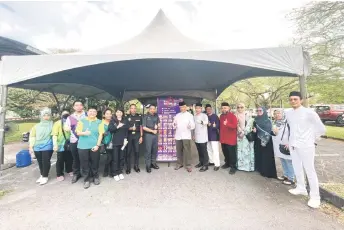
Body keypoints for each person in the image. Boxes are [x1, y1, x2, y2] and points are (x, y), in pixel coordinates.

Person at [286, 91, 326, 209]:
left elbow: (321, 129)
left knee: (310, 170)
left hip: (307, 145)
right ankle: (301, 188)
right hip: (294, 144)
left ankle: (315, 197)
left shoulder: (309, 113)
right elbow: (291, 129)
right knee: (297, 167)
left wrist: (313, 139)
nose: (293, 101)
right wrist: (290, 141)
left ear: (301, 100)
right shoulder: (288, 113)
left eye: (295, 99)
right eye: (291, 99)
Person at [76, 107, 103, 189]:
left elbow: (100, 134)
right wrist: (84, 133)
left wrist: (97, 145)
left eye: (94, 111)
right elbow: (77, 132)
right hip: (82, 146)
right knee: (84, 163)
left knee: (95, 162)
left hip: (94, 146)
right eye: (90, 111)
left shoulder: (99, 122)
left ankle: (95, 177)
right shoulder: (82, 121)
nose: (92, 113)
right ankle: (86, 179)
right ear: (87, 112)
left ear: (96, 113)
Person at [29, 108, 54, 185]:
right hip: (37, 146)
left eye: (48, 115)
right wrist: (31, 146)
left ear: (50, 116)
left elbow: (55, 135)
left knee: (45, 161)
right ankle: (42, 174)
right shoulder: (36, 126)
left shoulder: (52, 125)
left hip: (48, 145)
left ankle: (45, 176)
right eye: (44, 115)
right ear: (41, 116)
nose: (46, 117)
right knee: (40, 161)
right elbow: (33, 136)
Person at [64, 100, 87, 184]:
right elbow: (66, 126)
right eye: (76, 105)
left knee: (85, 158)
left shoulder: (87, 115)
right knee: (75, 158)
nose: (79, 107)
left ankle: (86, 175)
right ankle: (76, 174)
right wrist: (66, 128)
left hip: (85, 140)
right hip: (74, 140)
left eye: (80, 105)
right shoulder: (70, 117)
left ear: (83, 106)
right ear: (73, 107)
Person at [272, 109, 295, 185]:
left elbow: (292, 133)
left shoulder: (288, 122)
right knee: (282, 160)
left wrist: (289, 143)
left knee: (289, 161)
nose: (277, 115)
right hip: (279, 145)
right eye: (275, 113)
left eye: (279, 113)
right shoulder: (275, 123)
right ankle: (285, 175)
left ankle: (291, 178)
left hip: (286, 144)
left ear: (283, 114)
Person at [253, 107, 277, 178]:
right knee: (259, 155)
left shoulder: (269, 120)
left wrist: (275, 132)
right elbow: (254, 130)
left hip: (267, 141)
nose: (259, 112)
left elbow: (271, 132)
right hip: (258, 140)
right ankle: (260, 169)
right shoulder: (255, 120)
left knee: (266, 156)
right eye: (257, 110)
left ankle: (267, 172)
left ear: (264, 111)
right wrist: (254, 131)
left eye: (260, 110)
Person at [173, 101, 195, 173]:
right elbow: (173, 124)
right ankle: (179, 164)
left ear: (186, 107)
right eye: (181, 107)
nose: (182, 108)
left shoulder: (190, 115)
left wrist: (190, 126)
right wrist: (174, 125)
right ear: (179, 108)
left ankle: (188, 165)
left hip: (186, 135)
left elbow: (193, 126)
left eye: (183, 107)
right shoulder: (177, 115)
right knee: (179, 151)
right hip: (178, 135)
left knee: (187, 151)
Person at [108, 109, 129, 181]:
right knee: (115, 158)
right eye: (117, 112)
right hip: (115, 142)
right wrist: (117, 126)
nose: (119, 113)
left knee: (121, 157)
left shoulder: (125, 120)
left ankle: (120, 172)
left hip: (123, 142)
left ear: (122, 113)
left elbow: (126, 130)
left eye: (120, 112)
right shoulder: (113, 120)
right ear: (115, 113)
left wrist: (126, 139)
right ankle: (115, 173)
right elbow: (110, 129)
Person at [52, 110, 73, 182]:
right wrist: (55, 145)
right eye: (64, 114)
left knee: (69, 158)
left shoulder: (71, 123)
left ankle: (69, 170)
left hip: (69, 144)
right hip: (60, 144)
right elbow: (54, 135)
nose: (66, 116)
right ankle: (59, 174)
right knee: (60, 159)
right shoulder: (57, 123)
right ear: (61, 115)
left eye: (67, 114)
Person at [219, 102, 238, 174]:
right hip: (223, 138)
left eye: (225, 108)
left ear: (229, 108)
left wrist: (227, 124)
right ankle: (227, 163)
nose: (224, 109)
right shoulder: (221, 116)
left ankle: (233, 167)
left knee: (232, 154)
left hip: (231, 139)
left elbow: (234, 126)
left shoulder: (233, 116)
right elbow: (220, 127)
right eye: (222, 108)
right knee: (225, 152)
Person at [235, 103, 255, 172]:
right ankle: (240, 166)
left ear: (244, 108)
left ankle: (247, 167)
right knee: (239, 150)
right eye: (238, 107)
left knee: (246, 151)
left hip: (246, 135)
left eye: (241, 107)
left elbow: (250, 125)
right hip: (238, 136)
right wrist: (239, 131)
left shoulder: (248, 116)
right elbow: (235, 125)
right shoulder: (235, 116)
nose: (240, 109)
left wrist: (243, 132)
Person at [125, 104, 143, 174]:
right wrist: (131, 128)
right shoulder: (126, 117)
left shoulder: (139, 117)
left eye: (134, 108)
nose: (133, 109)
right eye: (132, 108)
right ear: (130, 109)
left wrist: (141, 136)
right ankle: (128, 168)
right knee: (128, 152)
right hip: (129, 136)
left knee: (137, 152)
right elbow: (125, 127)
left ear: (136, 109)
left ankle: (136, 166)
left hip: (137, 135)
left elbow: (141, 127)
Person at [142, 104, 160, 173]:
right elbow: (144, 127)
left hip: (155, 136)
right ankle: (148, 165)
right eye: (151, 109)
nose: (153, 110)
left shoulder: (156, 116)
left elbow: (159, 124)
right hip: (148, 135)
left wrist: (158, 126)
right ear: (149, 109)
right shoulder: (145, 116)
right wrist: (152, 130)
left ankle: (153, 163)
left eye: (154, 109)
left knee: (154, 150)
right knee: (148, 151)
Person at [193, 103, 209, 172]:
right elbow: (193, 126)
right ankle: (201, 162)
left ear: (201, 108)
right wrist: (193, 135)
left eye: (199, 108)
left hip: (203, 136)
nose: (197, 109)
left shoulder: (204, 115)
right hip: (196, 136)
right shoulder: (194, 116)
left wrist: (201, 122)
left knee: (204, 151)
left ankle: (205, 165)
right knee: (199, 151)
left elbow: (206, 122)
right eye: (196, 108)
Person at [205, 104, 220, 171]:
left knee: (215, 150)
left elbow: (218, 125)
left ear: (212, 109)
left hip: (214, 136)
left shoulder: (215, 116)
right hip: (207, 136)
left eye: (209, 109)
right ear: (206, 110)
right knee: (209, 149)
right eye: (207, 109)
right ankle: (211, 161)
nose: (208, 110)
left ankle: (217, 164)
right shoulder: (205, 116)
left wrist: (213, 126)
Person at [101, 109, 114, 177]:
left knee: (112, 156)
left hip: (114, 141)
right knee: (110, 156)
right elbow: (100, 133)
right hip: (106, 142)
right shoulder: (101, 123)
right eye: (107, 113)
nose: (109, 115)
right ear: (104, 115)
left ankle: (110, 171)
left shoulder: (113, 121)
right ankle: (106, 170)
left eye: (110, 113)